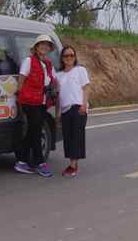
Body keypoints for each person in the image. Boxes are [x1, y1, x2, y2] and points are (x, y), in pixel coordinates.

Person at [15, 34, 57, 178]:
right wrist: (19, 98)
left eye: (47, 45)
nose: (44, 47)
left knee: (34, 130)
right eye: (42, 44)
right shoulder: (29, 60)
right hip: (29, 101)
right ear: (36, 47)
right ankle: (40, 163)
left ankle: (21, 160)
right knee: (36, 130)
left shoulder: (48, 63)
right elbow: (21, 79)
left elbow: (54, 79)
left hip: (42, 101)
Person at [54, 45, 90, 177]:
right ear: (62, 58)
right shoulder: (58, 75)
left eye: (71, 55)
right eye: (66, 56)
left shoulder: (80, 70)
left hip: (78, 107)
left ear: (75, 57)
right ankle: (72, 162)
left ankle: (73, 166)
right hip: (65, 109)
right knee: (68, 137)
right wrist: (57, 115)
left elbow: (86, 88)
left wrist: (84, 105)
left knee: (76, 136)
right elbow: (58, 96)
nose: (69, 58)